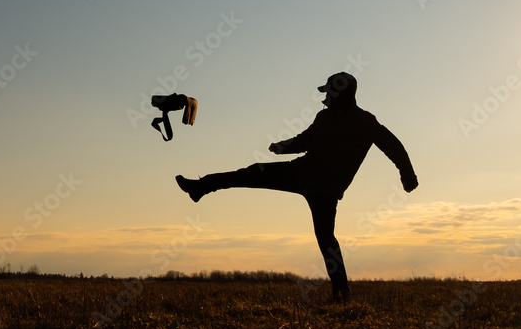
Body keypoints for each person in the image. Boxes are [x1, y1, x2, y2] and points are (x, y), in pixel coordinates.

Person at [175, 72, 418, 303]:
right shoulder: (324, 117)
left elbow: (393, 146)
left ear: (341, 93)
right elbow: (305, 140)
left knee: (325, 238)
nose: (325, 97)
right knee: (253, 173)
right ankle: (201, 188)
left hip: (325, 188)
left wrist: (407, 176)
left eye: (329, 92)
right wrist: (282, 146)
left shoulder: (364, 121)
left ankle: (341, 292)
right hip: (301, 172)